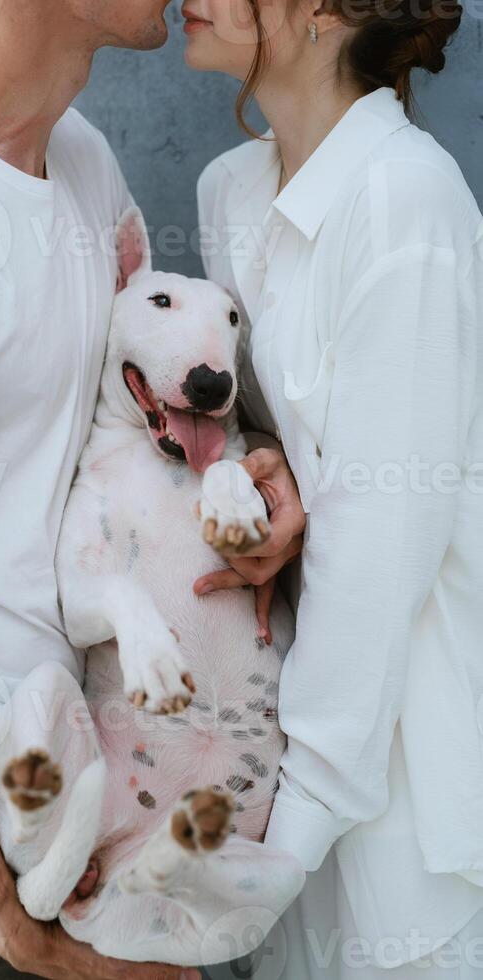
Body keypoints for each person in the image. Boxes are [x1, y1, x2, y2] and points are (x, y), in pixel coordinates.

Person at [0, 1, 305, 977]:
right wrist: (10, 926)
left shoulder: (80, 159)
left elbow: (149, 417)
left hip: (112, 784)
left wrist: (264, 480)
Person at [188, 0, 483, 975]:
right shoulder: (231, 191)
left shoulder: (407, 203)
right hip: (286, 752)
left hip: (403, 797)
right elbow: (275, 431)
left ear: (324, 10)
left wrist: (275, 851)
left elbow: (377, 556)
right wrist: (262, 463)